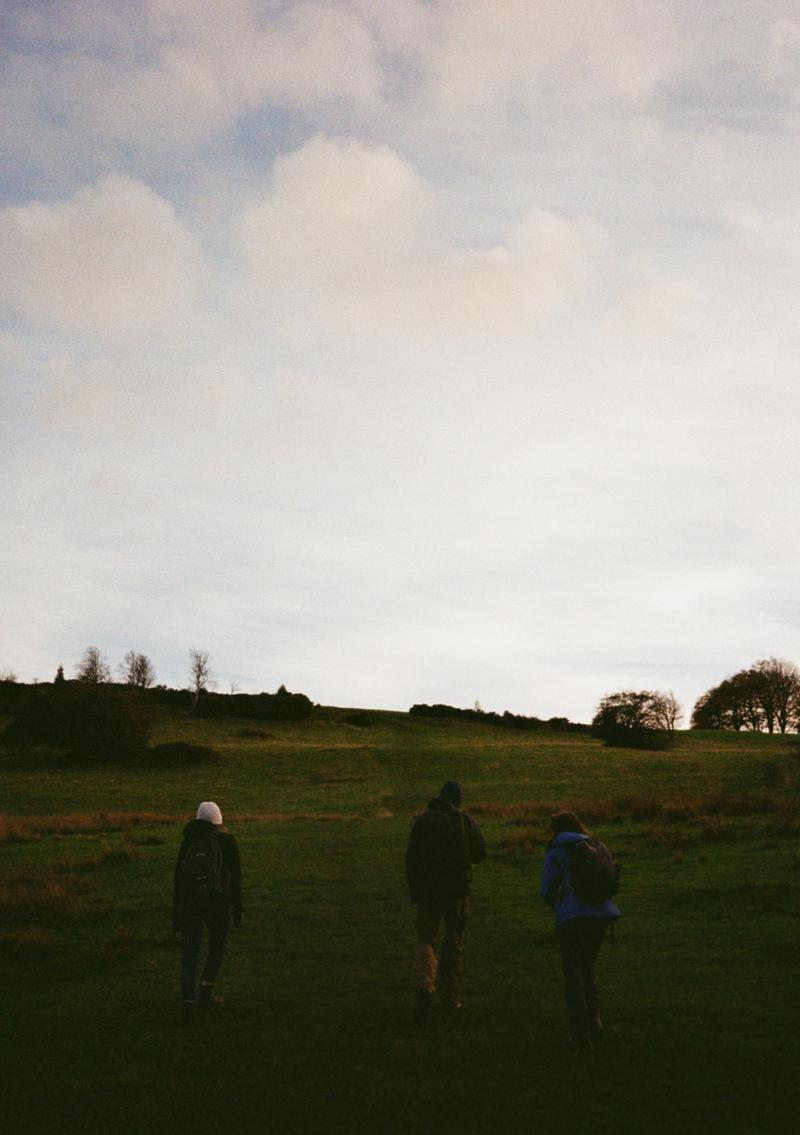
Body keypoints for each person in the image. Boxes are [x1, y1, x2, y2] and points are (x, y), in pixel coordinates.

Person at [405, 780, 486, 1026]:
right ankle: (450, 998)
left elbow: (410, 858)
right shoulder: (465, 820)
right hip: (457, 892)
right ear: (458, 799)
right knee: (454, 943)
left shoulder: (422, 820)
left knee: (426, 939)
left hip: (429, 891)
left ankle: (424, 985)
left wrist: (415, 890)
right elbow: (480, 853)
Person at [539, 811, 620, 1049]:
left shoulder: (556, 851)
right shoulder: (597, 845)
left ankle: (580, 1032)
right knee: (587, 967)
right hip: (603, 915)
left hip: (573, 918)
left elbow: (546, 890)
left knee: (573, 973)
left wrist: (561, 905)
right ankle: (595, 1021)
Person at [172, 801, 242, 1025]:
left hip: (191, 903)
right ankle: (205, 993)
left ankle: (187, 1005)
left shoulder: (188, 841)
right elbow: (236, 878)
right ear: (218, 820)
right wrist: (237, 908)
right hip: (217, 903)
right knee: (216, 947)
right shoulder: (227, 841)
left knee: (190, 954)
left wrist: (176, 912)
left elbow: (178, 878)